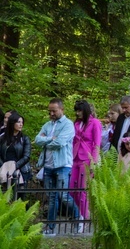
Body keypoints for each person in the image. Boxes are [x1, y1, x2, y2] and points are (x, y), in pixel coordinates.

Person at [35, 98, 79, 235]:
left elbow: (59, 143)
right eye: (50, 111)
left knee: (63, 195)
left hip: (62, 165)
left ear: (61, 109)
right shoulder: (47, 125)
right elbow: (37, 140)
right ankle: (50, 227)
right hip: (48, 165)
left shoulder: (68, 125)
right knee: (52, 197)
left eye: (54, 111)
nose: (51, 113)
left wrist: (46, 140)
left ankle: (78, 217)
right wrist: (50, 139)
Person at [70, 100, 102, 226]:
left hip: (87, 159)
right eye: (76, 111)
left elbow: (97, 144)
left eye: (80, 111)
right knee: (72, 189)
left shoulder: (95, 123)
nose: (78, 113)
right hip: (75, 157)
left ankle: (82, 219)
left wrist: (93, 162)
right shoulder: (76, 123)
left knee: (83, 190)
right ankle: (79, 213)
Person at [0, 111, 31, 186]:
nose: (21, 124)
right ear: (12, 123)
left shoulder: (24, 138)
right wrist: (3, 166)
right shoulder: (2, 138)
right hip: (4, 169)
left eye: (22, 122)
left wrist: (14, 166)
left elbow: (26, 156)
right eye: (18, 122)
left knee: (17, 194)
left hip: (20, 169)